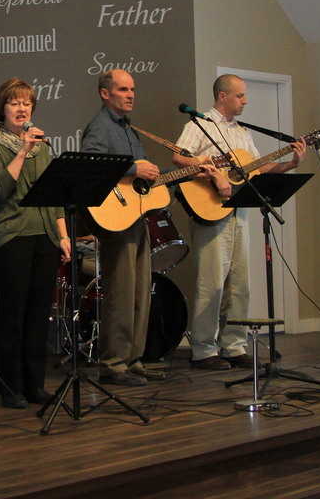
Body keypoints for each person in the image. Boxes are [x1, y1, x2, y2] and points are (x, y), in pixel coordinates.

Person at [173, 73, 306, 370]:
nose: (245, 101)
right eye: (240, 95)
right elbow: (180, 158)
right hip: (209, 208)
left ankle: (234, 345)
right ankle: (204, 349)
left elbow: (260, 166)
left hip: (238, 210)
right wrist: (211, 171)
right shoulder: (200, 124)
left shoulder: (242, 132)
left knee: (239, 282)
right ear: (222, 96)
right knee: (211, 282)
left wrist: (291, 163)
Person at [0, 78, 71, 409]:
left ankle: (34, 385)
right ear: (2, 109)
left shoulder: (43, 147)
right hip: (11, 237)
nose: (21, 109)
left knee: (38, 315)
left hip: (44, 236)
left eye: (27, 103)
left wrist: (62, 234)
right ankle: (9, 387)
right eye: (14, 103)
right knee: (12, 314)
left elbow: (54, 196)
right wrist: (22, 152)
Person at [80, 69, 162, 386]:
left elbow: (140, 178)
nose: (130, 95)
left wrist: (189, 171)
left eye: (133, 89)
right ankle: (113, 362)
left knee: (141, 290)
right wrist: (133, 167)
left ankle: (133, 358)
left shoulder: (130, 129)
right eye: (123, 89)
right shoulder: (100, 127)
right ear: (105, 93)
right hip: (115, 221)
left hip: (135, 216)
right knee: (121, 291)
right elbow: (89, 164)